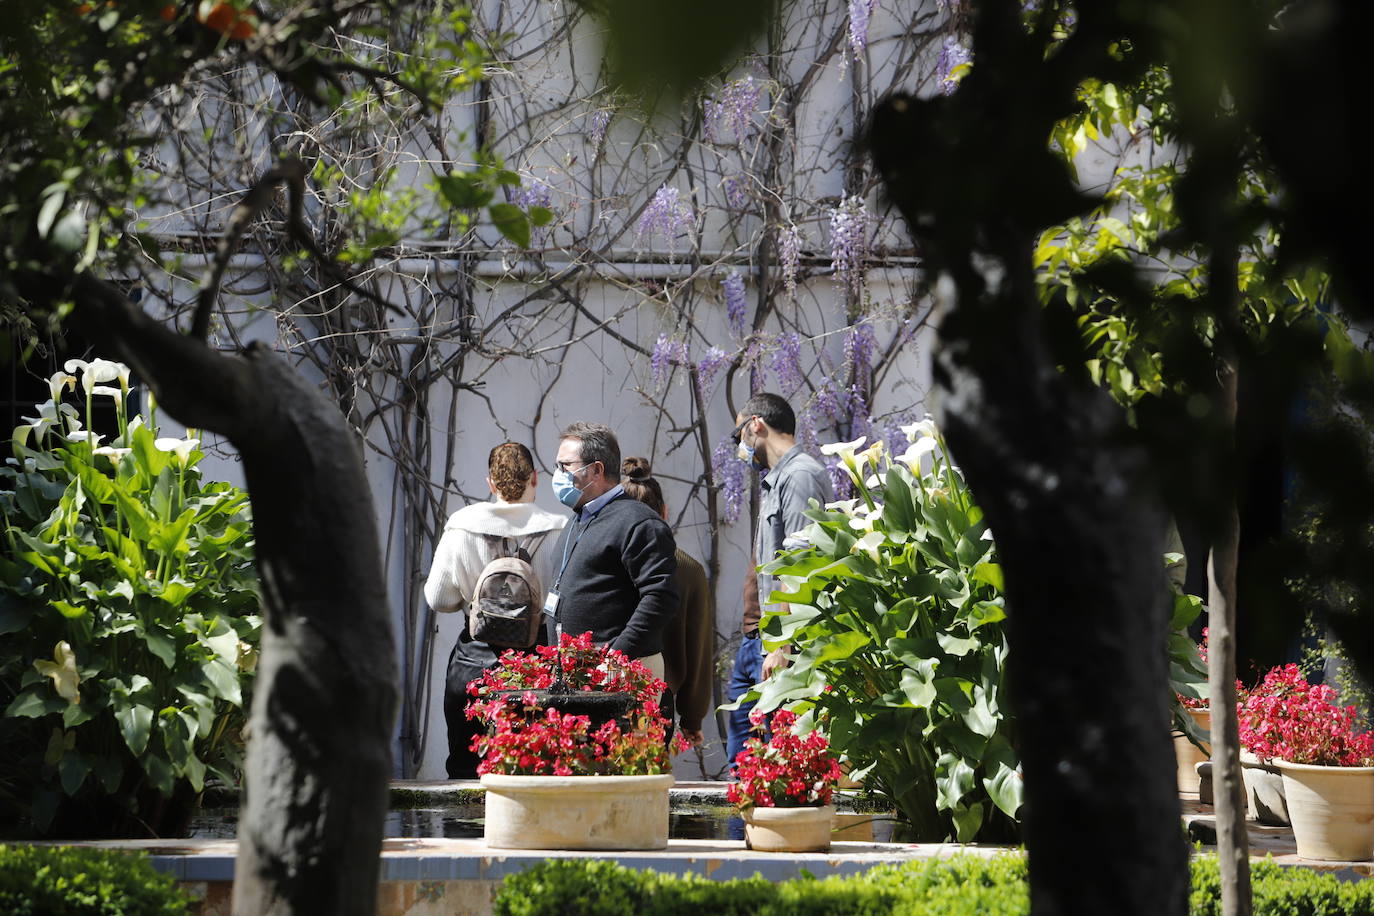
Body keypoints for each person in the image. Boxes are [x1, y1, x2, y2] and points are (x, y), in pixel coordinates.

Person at [423, 442, 567, 778]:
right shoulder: (560, 527)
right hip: (538, 662)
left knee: (467, 765)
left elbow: (439, 599)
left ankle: (464, 830)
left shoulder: (462, 525)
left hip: (475, 661)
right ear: (535, 477)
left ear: (491, 483)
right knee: (535, 765)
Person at [724, 392, 834, 768]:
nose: (740, 447)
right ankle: (748, 828)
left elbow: (800, 564)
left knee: (777, 763)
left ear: (756, 424)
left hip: (782, 645)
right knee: (746, 763)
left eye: (738, 434)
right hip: (758, 640)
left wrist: (782, 643)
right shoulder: (777, 480)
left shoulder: (800, 475)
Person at [546, 423, 678, 678]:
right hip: (575, 673)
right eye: (557, 466)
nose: (558, 474)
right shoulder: (578, 519)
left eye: (565, 466)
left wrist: (617, 657)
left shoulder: (639, 522)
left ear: (596, 470)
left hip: (617, 673)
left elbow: (661, 597)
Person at [620, 456, 716, 747]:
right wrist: (692, 716)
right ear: (664, 511)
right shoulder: (688, 569)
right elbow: (697, 647)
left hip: (602, 686)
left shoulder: (606, 560)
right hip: (660, 696)